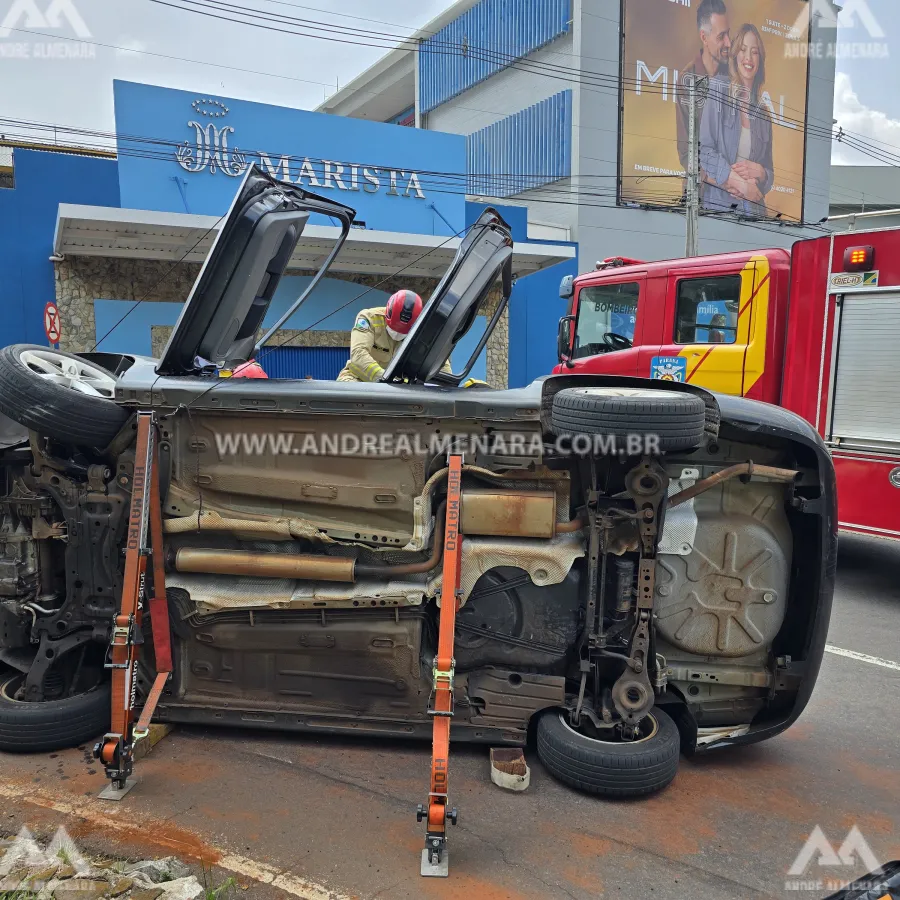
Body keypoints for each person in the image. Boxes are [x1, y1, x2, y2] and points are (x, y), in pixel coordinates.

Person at [699, 23, 774, 217]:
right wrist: (739, 183)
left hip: (755, 214)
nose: (748, 58)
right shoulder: (718, 88)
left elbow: (770, 173)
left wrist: (762, 173)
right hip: (717, 210)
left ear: (761, 59)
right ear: (735, 55)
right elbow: (705, 150)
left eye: (755, 52)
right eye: (743, 50)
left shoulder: (764, 113)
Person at [677, 0, 732, 174]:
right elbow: (686, 154)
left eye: (728, 34)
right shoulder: (687, 79)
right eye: (721, 36)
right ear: (704, 37)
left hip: (734, 196)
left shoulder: (734, 79)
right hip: (699, 195)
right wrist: (722, 181)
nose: (729, 43)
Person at [336, 289, 423, 382]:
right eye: (394, 328)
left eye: (402, 331)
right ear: (388, 314)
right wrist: (383, 377)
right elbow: (358, 353)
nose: (397, 333)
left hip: (394, 385)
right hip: (357, 378)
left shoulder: (418, 330)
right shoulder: (369, 317)